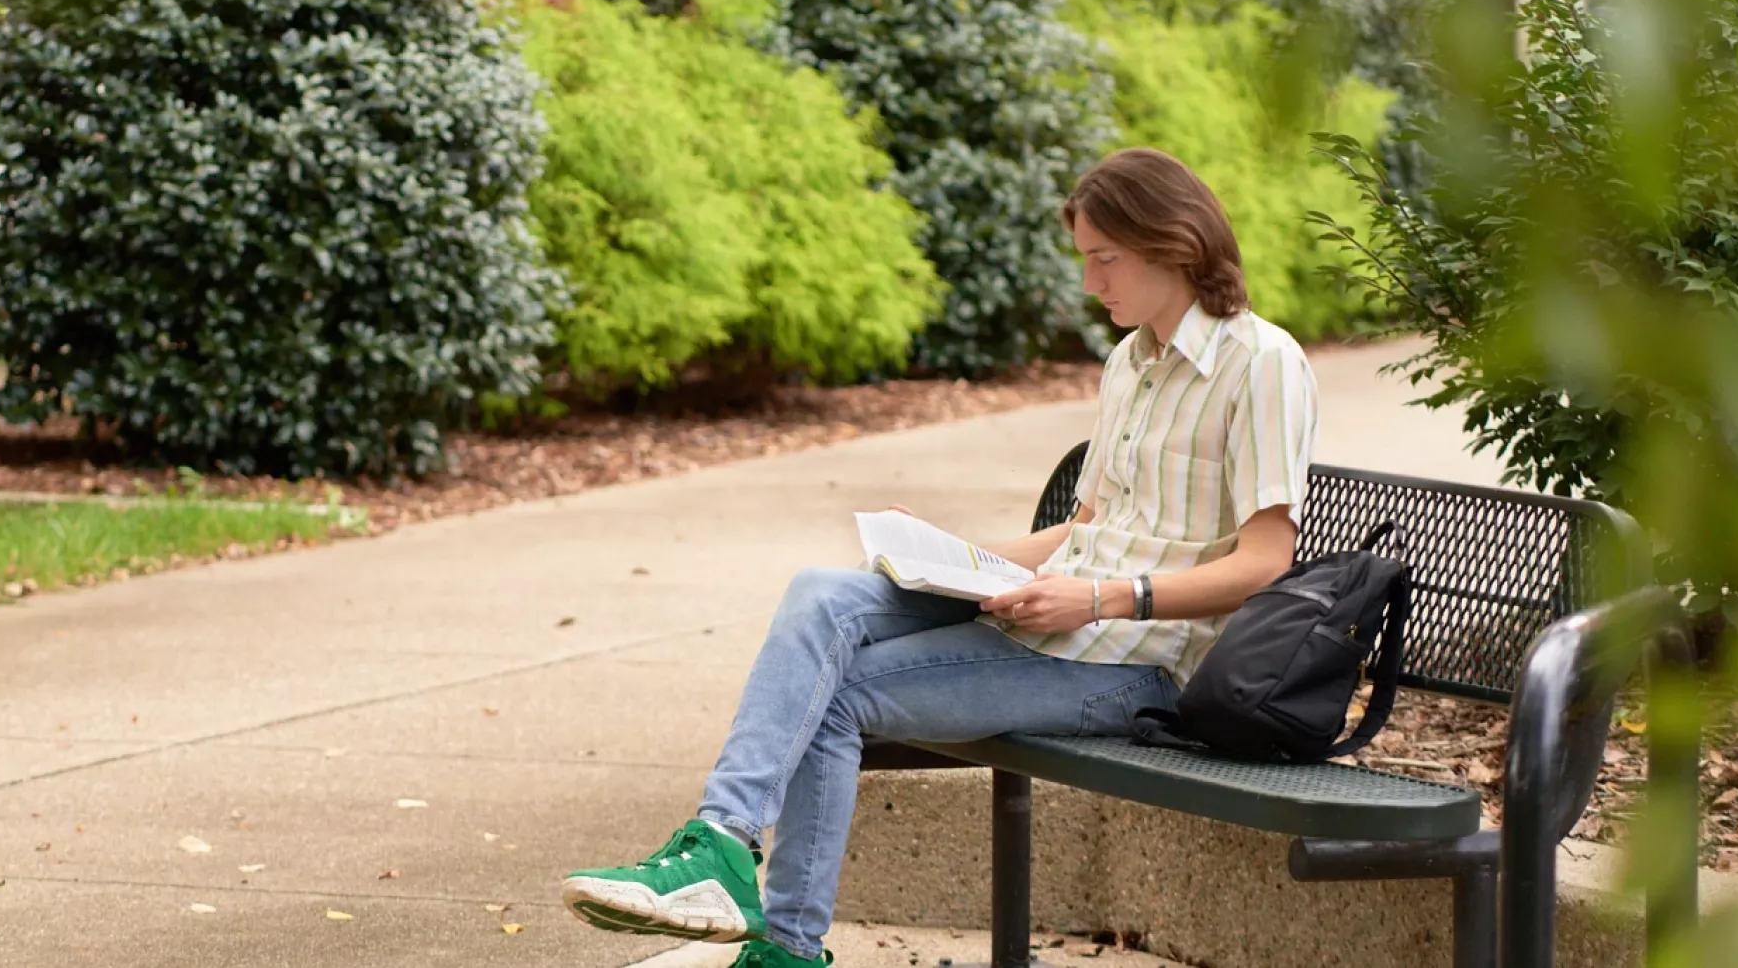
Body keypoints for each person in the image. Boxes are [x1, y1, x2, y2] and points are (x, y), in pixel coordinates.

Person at [558, 148, 1321, 968]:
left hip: (1139, 663)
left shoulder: (1262, 363)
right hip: (1056, 616)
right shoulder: (1127, 365)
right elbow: (1086, 527)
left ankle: (784, 948)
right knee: (824, 592)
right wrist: (950, 556)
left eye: (1106, 260)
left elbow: (1266, 561)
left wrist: (1100, 599)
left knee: (837, 697)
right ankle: (721, 842)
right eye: (1086, 261)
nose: (1092, 285)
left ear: (1173, 243)